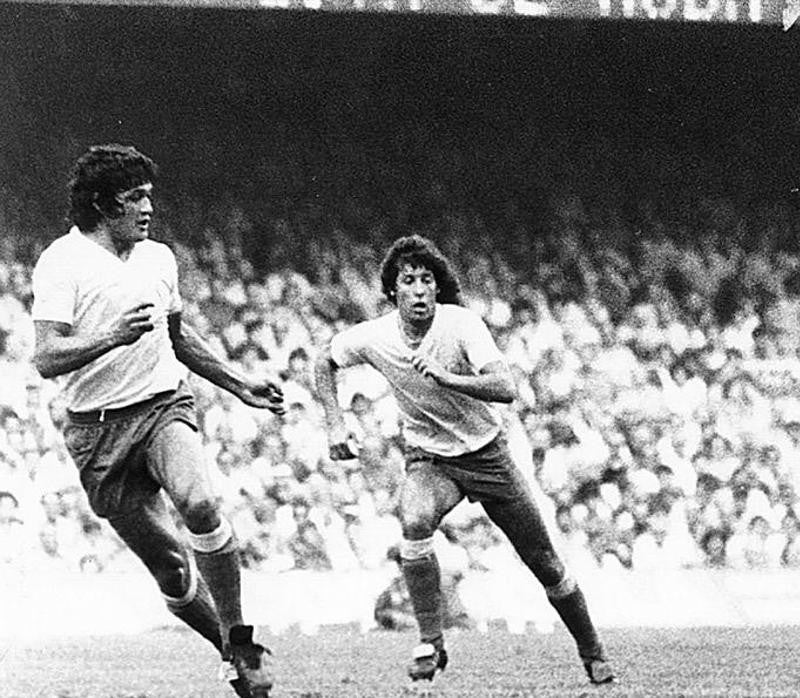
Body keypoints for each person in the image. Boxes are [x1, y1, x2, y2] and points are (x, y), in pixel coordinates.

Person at [30, 145, 285, 698]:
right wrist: (110, 338)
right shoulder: (61, 263)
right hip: (96, 430)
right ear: (101, 205)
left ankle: (240, 636)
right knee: (171, 569)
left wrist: (239, 385)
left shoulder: (157, 259)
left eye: (149, 195)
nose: (148, 208)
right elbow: (47, 356)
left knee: (200, 502)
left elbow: (177, 335)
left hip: (162, 403)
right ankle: (228, 651)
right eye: (134, 198)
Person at [312, 234, 615, 686]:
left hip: (487, 455)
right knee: (413, 520)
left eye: (427, 280)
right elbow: (324, 360)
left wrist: (449, 378)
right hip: (431, 459)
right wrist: (335, 424)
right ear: (393, 291)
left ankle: (592, 650)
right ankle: (431, 642)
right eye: (408, 280)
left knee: (546, 563)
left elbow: (506, 386)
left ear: (438, 288)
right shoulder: (374, 335)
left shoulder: (461, 325)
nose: (418, 290)